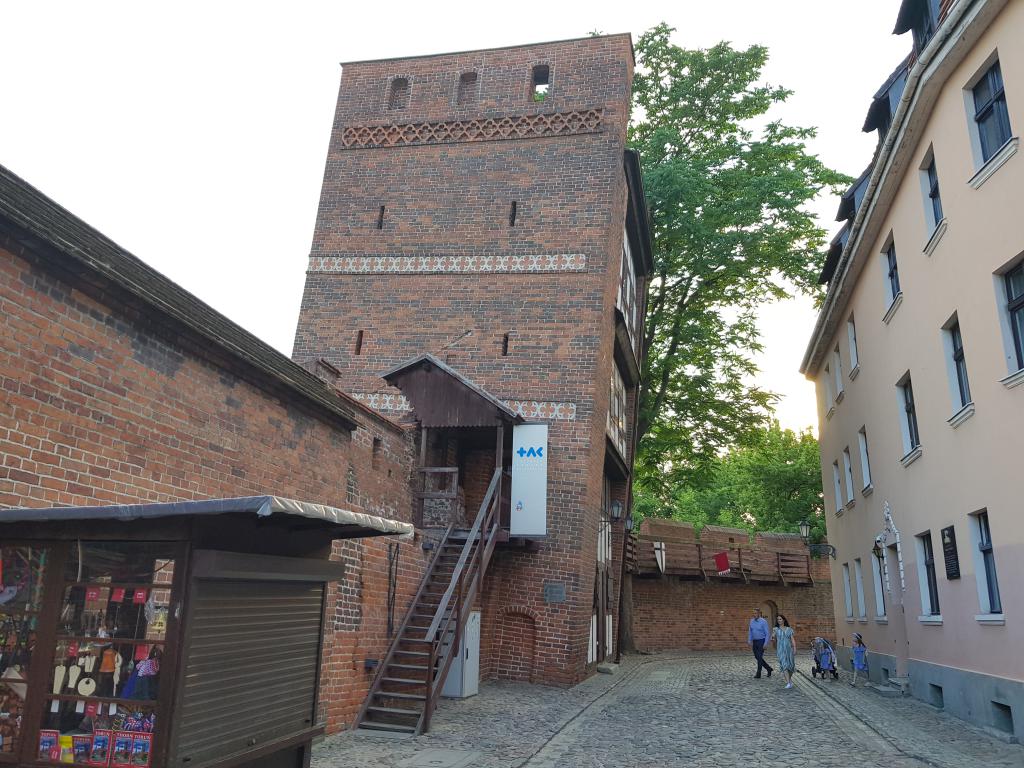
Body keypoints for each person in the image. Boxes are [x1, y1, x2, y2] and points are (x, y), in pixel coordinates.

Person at [747, 608, 773, 679]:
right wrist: (749, 640)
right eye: (753, 613)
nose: (754, 614)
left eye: (755, 613)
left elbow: (767, 633)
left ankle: (758, 673)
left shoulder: (763, 622)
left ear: (759, 613)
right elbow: (750, 631)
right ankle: (769, 668)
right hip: (755, 641)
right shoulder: (751, 621)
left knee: (759, 657)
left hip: (761, 641)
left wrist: (765, 643)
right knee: (757, 657)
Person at [773, 614, 796, 689]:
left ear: (783, 620)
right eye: (778, 619)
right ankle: (788, 683)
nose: (779, 621)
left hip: (789, 649)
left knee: (791, 666)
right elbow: (773, 638)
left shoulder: (789, 629)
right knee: (784, 665)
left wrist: (794, 648)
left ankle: (789, 680)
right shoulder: (776, 629)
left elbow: (792, 639)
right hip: (780, 649)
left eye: (780, 619)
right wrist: (772, 639)